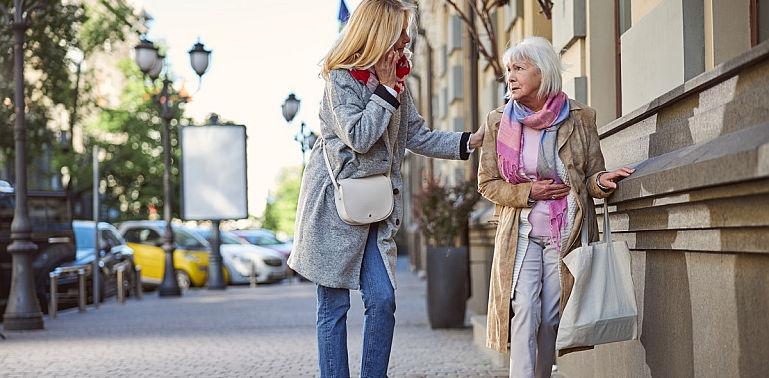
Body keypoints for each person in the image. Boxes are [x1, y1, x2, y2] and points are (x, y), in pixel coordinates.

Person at [287, 1, 484, 377]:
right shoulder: (339, 81)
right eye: (399, 37)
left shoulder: (397, 84)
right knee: (333, 308)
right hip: (334, 210)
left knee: (382, 299)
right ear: (378, 36)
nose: (405, 45)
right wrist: (386, 93)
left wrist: (469, 141)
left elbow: (417, 135)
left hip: (376, 209)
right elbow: (360, 137)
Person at [477, 36, 634, 378]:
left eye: (519, 68)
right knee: (524, 310)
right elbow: (487, 183)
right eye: (509, 70)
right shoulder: (498, 121)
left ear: (543, 72)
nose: (511, 77)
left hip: (565, 233)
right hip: (521, 233)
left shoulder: (580, 117)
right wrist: (528, 192)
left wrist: (603, 182)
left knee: (550, 315)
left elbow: (591, 174)